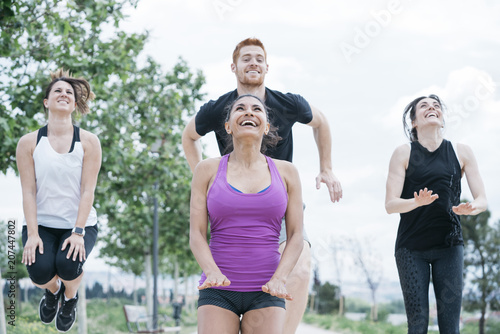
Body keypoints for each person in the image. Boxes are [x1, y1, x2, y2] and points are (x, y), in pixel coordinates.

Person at [182, 37, 342, 333]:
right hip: (231, 207)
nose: (253, 62)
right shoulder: (218, 108)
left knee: (300, 268)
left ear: (267, 67)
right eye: (246, 58)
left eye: (258, 58)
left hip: (276, 207)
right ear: (234, 66)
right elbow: (188, 136)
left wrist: (327, 168)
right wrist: (206, 182)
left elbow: (321, 122)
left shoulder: (288, 104)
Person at [189, 94, 304, 334]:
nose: (249, 112)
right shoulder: (207, 170)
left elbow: (295, 235)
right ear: (228, 127)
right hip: (217, 290)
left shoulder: (287, 173)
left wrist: (280, 278)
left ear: (267, 126)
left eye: (257, 109)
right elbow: (197, 234)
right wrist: (211, 271)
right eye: (240, 108)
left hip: (267, 290)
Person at [385, 94, 487, 333]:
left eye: (436, 106)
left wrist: (472, 208)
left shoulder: (461, 152)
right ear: (414, 122)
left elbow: (482, 198)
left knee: (450, 327)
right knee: (418, 326)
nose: (432, 108)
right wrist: (416, 202)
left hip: (449, 246)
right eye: (424, 106)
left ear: (442, 118)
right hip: (411, 248)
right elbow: (390, 204)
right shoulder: (403, 153)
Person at [16, 69, 101, 332]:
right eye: (57, 91)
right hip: (41, 223)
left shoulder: (88, 141)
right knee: (39, 271)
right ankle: (53, 292)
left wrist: (78, 232)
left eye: (69, 92)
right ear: (47, 102)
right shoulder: (29, 142)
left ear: (74, 104)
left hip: (78, 223)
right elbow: (28, 192)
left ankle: (70, 297)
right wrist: (32, 233)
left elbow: (88, 190)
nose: (63, 94)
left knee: (67, 264)